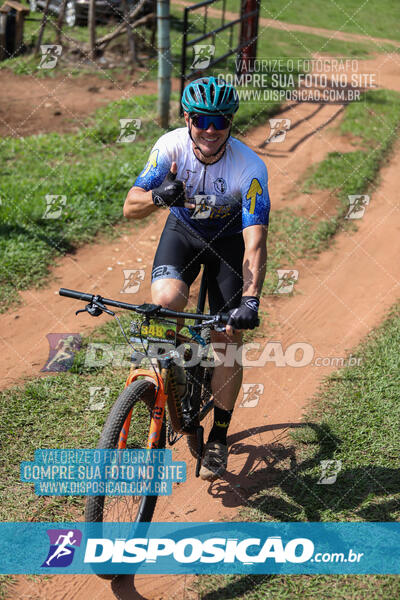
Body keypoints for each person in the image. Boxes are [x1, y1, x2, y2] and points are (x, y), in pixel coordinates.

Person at [123, 76, 270, 481]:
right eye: (201, 119)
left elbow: (254, 243)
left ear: (231, 124)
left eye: (220, 121)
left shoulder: (250, 168)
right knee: (166, 305)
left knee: (227, 340)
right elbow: (129, 207)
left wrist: (251, 300)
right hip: (183, 233)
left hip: (227, 244)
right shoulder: (168, 148)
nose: (210, 129)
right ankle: (183, 374)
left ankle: (219, 436)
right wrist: (159, 196)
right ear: (187, 118)